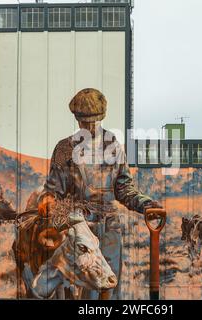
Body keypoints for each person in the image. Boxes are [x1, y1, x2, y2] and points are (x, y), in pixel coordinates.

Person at [36, 88, 163, 300]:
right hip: (79, 228)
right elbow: (52, 190)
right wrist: (47, 200)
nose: (90, 127)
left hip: (110, 228)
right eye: (85, 122)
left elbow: (124, 188)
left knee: (109, 286)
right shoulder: (64, 149)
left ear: (101, 118)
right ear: (77, 120)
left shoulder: (113, 146)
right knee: (85, 289)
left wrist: (146, 204)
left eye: (94, 122)